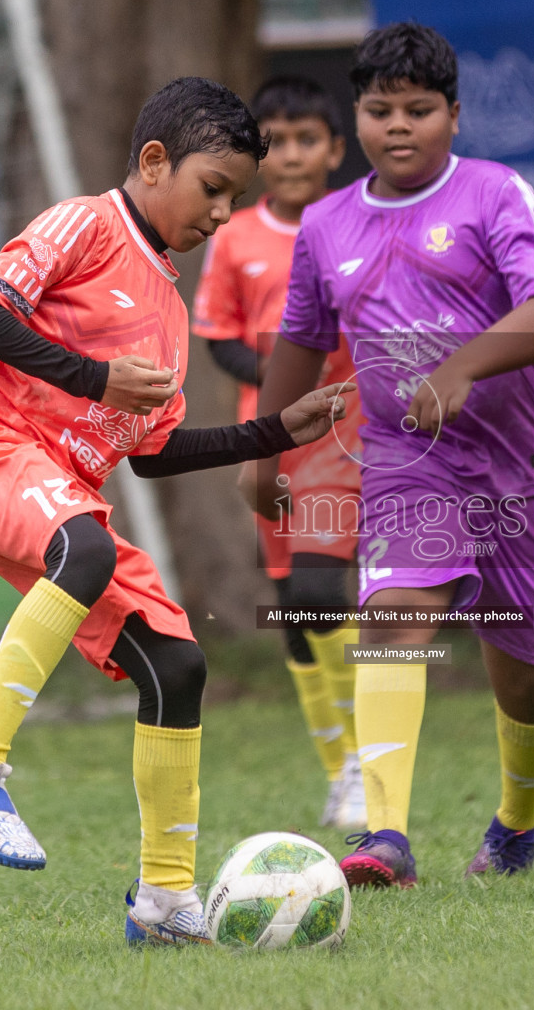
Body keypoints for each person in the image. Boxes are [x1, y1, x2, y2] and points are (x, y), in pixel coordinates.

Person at [0, 76, 351, 946]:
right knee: (87, 550)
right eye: (213, 188)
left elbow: (151, 455)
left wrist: (272, 428)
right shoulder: (85, 223)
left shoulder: (169, 314)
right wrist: (90, 376)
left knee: (178, 664)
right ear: (154, 163)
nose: (224, 213)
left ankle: (165, 904)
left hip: (64, 493)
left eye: (236, 198)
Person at [249, 22, 534, 888]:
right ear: (357, 117)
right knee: (395, 615)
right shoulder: (325, 225)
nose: (400, 127)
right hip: (405, 459)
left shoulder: (495, 194)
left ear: (455, 116)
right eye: (380, 110)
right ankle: (384, 836)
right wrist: (264, 454)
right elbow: (298, 344)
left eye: (420, 110)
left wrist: (464, 366)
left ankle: (517, 817)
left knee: (529, 684)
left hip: (521, 466)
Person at [191, 76, 368, 830]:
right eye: (278, 141)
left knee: (326, 591)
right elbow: (218, 335)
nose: (292, 155)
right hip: (270, 443)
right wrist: (280, 383)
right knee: (297, 608)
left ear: (334, 148)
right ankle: (341, 773)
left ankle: (367, 758)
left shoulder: (360, 222)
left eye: (307, 139)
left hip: (348, 436)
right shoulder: (233, 236)